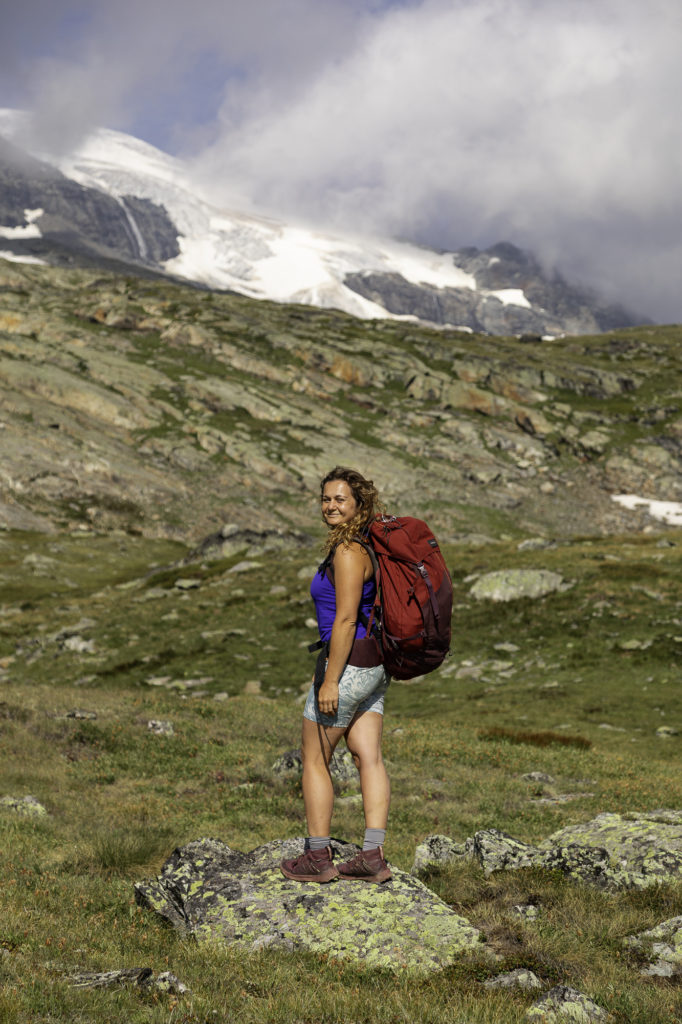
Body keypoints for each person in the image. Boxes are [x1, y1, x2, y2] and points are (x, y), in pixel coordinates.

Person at [280, 467, 392, 884]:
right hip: (374, 665)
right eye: (326, 498)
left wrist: (330, 680)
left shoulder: (348, 551)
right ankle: (372, 855)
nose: (330, 505)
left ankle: (316, 857)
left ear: (359, 504)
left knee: (314, 758)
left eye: (340, 499)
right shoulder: (366, 546)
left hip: (348, 665)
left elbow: (345, 621)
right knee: (368, 755)